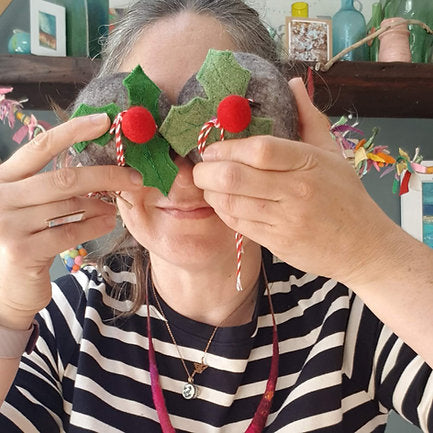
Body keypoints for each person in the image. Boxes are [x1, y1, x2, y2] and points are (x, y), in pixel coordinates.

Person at [0, 0, 432, 431]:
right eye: (148, 130)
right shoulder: (60, 322)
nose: (183, 179)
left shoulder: (351, 313)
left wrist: (373, 253)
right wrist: (4, 318)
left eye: (221, 129)